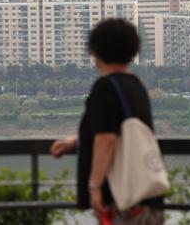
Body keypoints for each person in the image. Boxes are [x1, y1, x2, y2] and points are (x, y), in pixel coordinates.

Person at [50, 18, 164, 224]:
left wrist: (94, 185)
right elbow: (120, 129)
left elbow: (107, 139)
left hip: (121, 199)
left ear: (96, 52)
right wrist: (76, 141)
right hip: (145, 194)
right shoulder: (135, 85)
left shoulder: (105, 88)